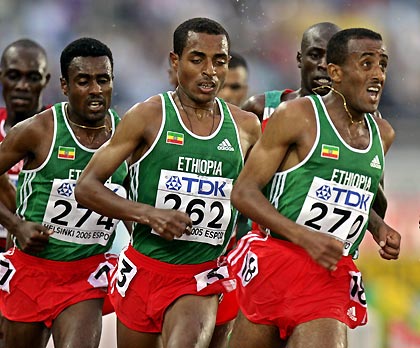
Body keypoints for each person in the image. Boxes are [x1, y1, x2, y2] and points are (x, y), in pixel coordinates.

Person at [75, 17, 260, 348]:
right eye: (197, 59)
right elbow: (87, 187)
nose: (210, 71)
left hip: (202, 275)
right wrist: (149, 214)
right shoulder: (148, 116)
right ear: (175, 62)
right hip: (143, 270)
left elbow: (268, 193)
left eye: (219, 61)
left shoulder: (246, 127)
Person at [227, 28, 401, 348]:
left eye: (383, 65)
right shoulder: (294, 116)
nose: (377, 74)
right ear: (335, 72)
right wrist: (306, 237)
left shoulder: (382, 134)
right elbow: (243, 192)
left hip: (328, 274)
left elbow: (360, 198)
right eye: (366, 64)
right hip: (273, 263)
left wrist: (380, 229)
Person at [0, 37, 128, 348]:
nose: (95, 90)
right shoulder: (38, 130)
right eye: (83, 81)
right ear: (65, 85)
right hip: (31, 269)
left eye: (103, 80)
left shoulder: (128, 132)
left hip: (86, 273)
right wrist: (16, 225)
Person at [0, 38, 51, 250]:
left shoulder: (61, 128)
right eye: (14, 76)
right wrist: (16, 225)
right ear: (1, 76)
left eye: (32, 77)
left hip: (41, 251)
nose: (22, 86)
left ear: (46, 80)